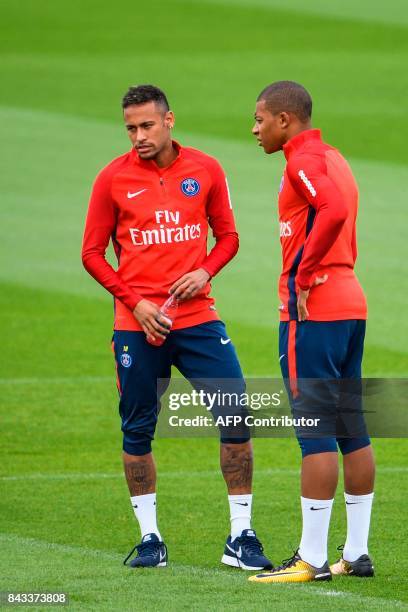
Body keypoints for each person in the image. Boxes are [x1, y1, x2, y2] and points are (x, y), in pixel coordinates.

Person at [81, 84, 272, 570]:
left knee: (236, 415)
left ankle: (241, 535)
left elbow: (227, 236)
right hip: (136, 325)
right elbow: (91, 253)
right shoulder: (112, 179)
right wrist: (136, 303)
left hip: (198, 318)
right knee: (138, 428)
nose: (138, 136)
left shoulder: (205, 169)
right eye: (130, 128)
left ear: (169, 120)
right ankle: (150, 539)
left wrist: (206, 270)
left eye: (146, 125)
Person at [248, 81, 375, 584]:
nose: (254, 129)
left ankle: (313, 559)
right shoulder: (334, 156)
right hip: (350, 302)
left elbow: (334, 211)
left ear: (285, 119)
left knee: (315, 432)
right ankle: (357, 552)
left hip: (314, 309)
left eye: (260, 119)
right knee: (352, 425)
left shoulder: (301, 160)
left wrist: (302, 274)